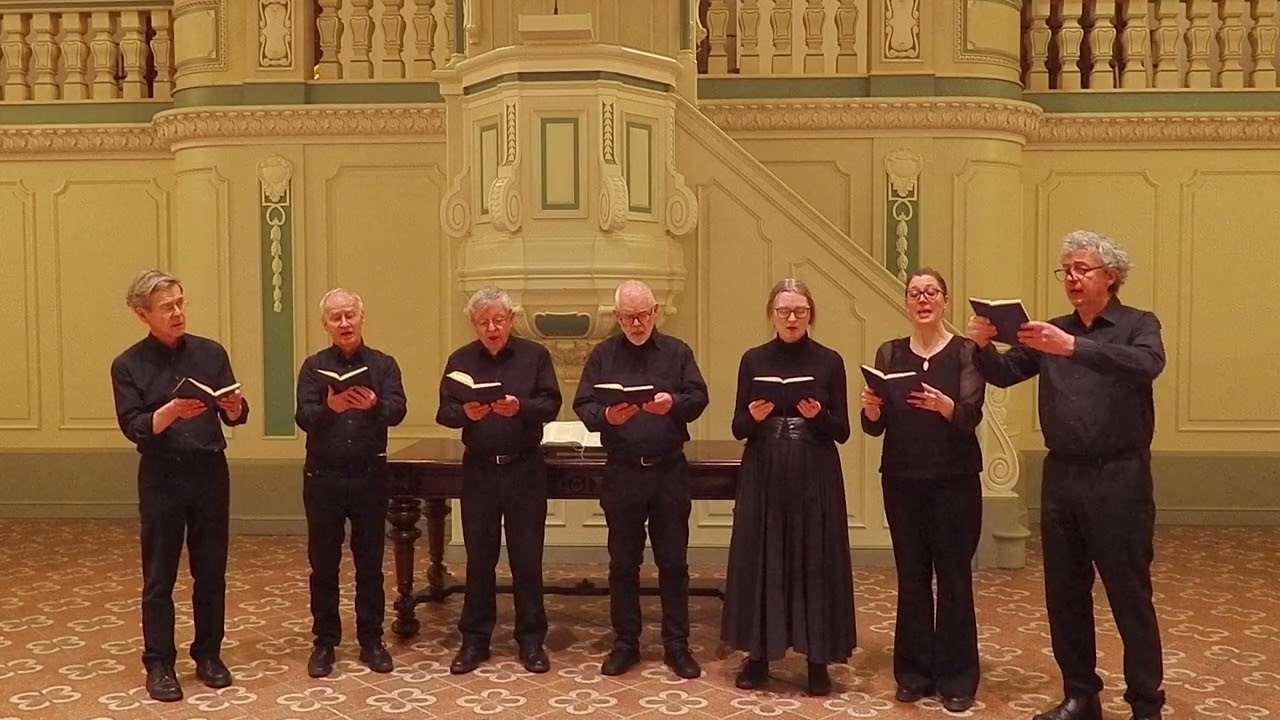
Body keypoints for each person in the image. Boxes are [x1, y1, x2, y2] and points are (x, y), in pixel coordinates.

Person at [968, 230, 1165, 720]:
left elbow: (1148, 364)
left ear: (1110, 277)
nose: (1072, 278)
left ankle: (1146, 703)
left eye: (1082, 269)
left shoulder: (1138, 324)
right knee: (1065, 593)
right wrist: (982, 346)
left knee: (1128, 593)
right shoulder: (1051, 330)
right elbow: (1006, 372)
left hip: (1120, 477)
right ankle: (1081, 694)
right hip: (1062, 478)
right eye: (1066, 270)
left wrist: (1074, 346)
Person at [110, 270, 248, 702]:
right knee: (159, 575)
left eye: (181, 303)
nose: (178, 313)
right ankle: (160, 663)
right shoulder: (128, 364)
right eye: (167, 307)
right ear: (142, 313)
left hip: (209, 470)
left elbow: (235, 413)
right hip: (161, 475)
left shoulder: (210, 352)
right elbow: (133, 426)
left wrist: (236, 406)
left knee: (211, 571)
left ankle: (209, 654)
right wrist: (171, 410)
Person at [721, 278, 855, 697]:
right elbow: (738, 426)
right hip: (765, 468)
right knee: (764, 557)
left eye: (799, 311)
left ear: (811, 313)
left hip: (814, 468)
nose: (792, 318)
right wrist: (755, 416)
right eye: (784, 311)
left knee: (814, 558)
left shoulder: (830, 361)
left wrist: (817, 416)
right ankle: (758, 657)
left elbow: (844, 430)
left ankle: (818, 662)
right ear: (771, 315)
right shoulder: (753, 359)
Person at [859, 269, 985, 712]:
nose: (923, 299)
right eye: (915, 294)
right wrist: (871, 410)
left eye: (931, 292)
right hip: (902, 480)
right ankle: (913, 673)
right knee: (912, 578)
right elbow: (875, 429)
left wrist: (944, 405)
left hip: (954, 483)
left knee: (953, 578)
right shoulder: (890, 353)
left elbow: (971, 416)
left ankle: (957, 677)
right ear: (907, 303)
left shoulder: (966, 352)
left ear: (945, 301)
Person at [573, 280, 708, 680]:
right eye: (629, 317)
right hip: (623, 470)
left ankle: (677, 645)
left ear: (655, 312)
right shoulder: (603, 355)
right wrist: (606, 418)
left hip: (668, 469)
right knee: (623, 563)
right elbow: (583, 403)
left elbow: (699, 397)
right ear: (617, 317)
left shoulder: (677, 352)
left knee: (673, 562)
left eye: (643, 315)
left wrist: (674, 404)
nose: (637, 323)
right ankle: (625, 643)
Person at [436, 286, 562, 675]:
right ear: (474, 324)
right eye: (483, 322)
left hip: (525, 468)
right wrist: (466, 413)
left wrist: (519, 407)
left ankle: (531, 641)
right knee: (479, 558)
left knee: (527, 558)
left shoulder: (534, 356)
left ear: (511, 320)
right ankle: (475, 639)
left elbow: (552, 403)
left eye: (498, 320)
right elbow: (444, 411)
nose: (491, 328)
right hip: (480, 470)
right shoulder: (460, 360)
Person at [295, 288, 406, 678]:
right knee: (322, 563)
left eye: (349, 316)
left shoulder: (383, 365)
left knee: (370, 562)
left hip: (369, 476)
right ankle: (324, 642)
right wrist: (331, 407)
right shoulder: (313, 367)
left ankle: (371, 640)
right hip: (323, 476)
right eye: (335, 318)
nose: (344, 323)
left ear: (362, 318)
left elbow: (398, 410)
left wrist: (373, 404)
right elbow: (303, 417)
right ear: (324, 324)